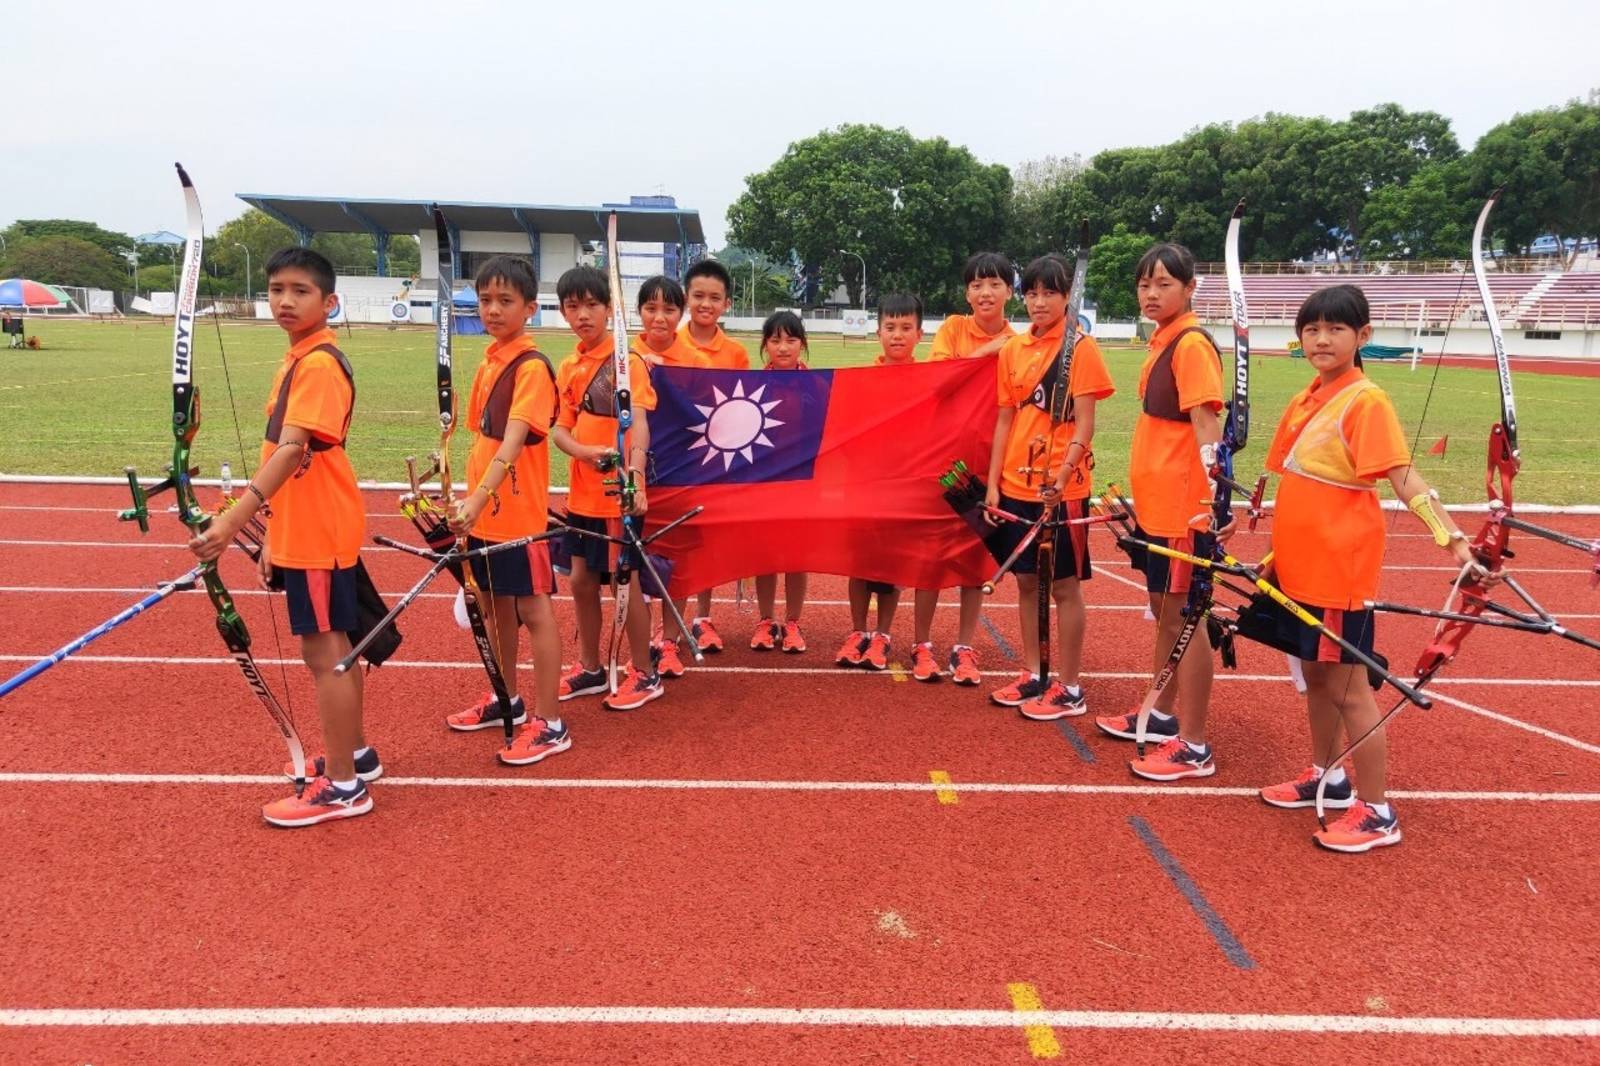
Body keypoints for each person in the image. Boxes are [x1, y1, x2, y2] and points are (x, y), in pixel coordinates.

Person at [1256, 285, 1480, 852]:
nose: (1321, 339)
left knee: (1351, 687)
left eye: (1335, 329)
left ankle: (1378, 810)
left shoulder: (1365, 400)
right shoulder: (1313, 393)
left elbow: (1405, 478)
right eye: (1311, 329)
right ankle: (1326, 776)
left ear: (1364, 336)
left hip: (1338, 568)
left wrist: (1451, 539)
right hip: (1301, 566)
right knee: (1315, 677)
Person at [190, 247, 376, 826]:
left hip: (321, 525)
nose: (285, 300)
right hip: (306, 523)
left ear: (329, 302)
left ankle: (344, 786)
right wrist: (273, 532)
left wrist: (232, 519)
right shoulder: (299, 358)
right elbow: (286, 453)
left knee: (327, 657)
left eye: (300, 290)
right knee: (332, 652)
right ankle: (357, 756)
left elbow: (296, 448)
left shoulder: (319, 362)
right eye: (276, 289)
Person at [1094, 242, 1227, 779]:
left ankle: (1194, 745)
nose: (1152, 293)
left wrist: (1214, 497)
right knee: (1167, 618)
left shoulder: (1191, 344)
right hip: (1157, 509)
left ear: (1189, 288)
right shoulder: (1163, 340)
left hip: (1183, 512)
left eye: (1164, 284)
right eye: (1145, 284)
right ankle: (1161, 713)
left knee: (1186, 622)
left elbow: (1206, 424)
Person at [442, 254, 567, 766]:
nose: (492, 309)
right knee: (492, 608)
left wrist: (478, 496)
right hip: (486, 512)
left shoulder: (532, 365)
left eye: (505, 301)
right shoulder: (494, 357)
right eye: (485, 299)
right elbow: (481, 434)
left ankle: (551, 722)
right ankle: (506, 696)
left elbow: (514, 440)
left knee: (533, 611)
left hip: (516, 513)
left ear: (530, 308)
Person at [984, 255, 1114, 720]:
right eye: (1033, 294)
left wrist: (1062, 479)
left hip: (1062, 488)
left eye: (1050, 294)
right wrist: (996, 480)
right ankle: (1034, 671)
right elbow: (1004, 418)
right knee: (1024, 581)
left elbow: (1086, 423)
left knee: (1063, 587)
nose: (1039, 303)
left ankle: (1071, 686)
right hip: (1017, 482)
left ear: (1066, 298)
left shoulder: (1081, 349)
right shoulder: (1012, 351)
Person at [550, 265, 661, 711]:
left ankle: (644, 671)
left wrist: (634, 477)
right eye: (572, 306)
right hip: (582, 495)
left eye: (592, 305)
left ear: (610, 309)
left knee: (625, 584)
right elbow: (560, 429)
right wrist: (581, 451)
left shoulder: (627, 362)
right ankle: (592, 668)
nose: (583, 315)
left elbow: (640, 425)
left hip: (620, 495)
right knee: (580, 580)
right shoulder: (569, 365)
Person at [924, 252, 1019, 685]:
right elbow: (937, 381)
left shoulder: (1020, 342)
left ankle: (965, 647)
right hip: (943, 459)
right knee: (929, 555)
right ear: (967, 292)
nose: (986, 293)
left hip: (989, 464)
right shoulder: (952, 329)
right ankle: (921, 644)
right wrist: (987, 351)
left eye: (995, 284)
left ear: (1009, 292)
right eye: (978, 285)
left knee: (974, 559)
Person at [631, 274, 711, 679]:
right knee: (632, 559)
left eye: (668, 309)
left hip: (680, 473)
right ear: (639, 312)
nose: (659, 318)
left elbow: (706, 416)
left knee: (674, 560)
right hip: (635, 473)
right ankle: (640, 641)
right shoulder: (624, 354)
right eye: (650, 308)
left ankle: (670, 641)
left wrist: (670, 379)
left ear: (681, 314)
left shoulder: (695, 360)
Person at [837, 293, 921, 673]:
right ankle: (858, 631)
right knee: (859, 564)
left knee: (892, 567)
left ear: (919, 334)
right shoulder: (864, 380)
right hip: (865, 488)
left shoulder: (927, 381)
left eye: (906, 328)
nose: (897, 335)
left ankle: (883, 634)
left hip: (903, 491)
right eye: (890, 327)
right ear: (878, 332)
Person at [677, 259, 750, 654]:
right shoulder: (667, 346)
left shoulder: (735, 352)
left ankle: (703, 618)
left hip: (716, 459)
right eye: (699, 295)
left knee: (705, 542)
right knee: (676, 543)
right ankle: (669, 623)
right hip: (675, 461)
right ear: (686, 298)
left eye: (714, 298)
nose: (706, 304)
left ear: (727, 304)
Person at [749, 311, 810, 653]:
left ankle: (793, 622)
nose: (783, 347)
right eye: (775, 340)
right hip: (764, 484)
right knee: (766, 555)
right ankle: (765, 620)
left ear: (802, 343)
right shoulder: (752, 386)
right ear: (765, 345)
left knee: (796, 556)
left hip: (802, 484)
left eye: (791, 339)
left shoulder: (817, 384)